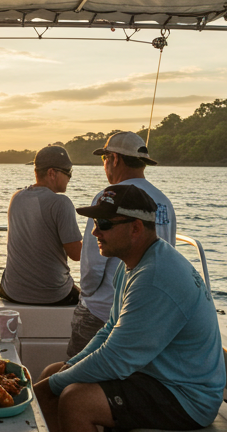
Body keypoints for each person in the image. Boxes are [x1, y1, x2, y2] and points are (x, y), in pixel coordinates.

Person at [7, 184, 224, 432]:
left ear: (136, 229)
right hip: (156, 375)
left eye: (105, 224)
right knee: (56, 370)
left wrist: (51, 387)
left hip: (186, 396)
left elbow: (118, 360)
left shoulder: (155, 276)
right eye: (94, 223)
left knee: (74, 400)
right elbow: (109, 333)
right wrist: (60, 374)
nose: (95, 232)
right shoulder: (136, 263)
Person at [68, 131, 178, 357]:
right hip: (145, 314)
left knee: (72, 375)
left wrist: (87, 299)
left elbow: (92, 265)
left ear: (115, 159)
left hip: (102, 312)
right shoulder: (164, 202)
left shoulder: (107, 198)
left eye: (104, 158)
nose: (104, 164)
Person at [0, 145, 83, 305]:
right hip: (53, 295)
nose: (70, 178)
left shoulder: (16, 197)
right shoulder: (61, 203)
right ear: (52, 173)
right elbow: (76, 255)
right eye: (68, 172)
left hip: (13, 292)